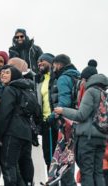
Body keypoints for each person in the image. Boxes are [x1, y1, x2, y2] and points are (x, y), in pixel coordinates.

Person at [54, 73, 108, 186]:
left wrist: (63, 110)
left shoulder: (91, 92)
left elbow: (81, 115)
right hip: (102, 138)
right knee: (98, 172)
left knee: (87, 172)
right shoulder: (105, 95)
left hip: (88, 138)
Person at [0, 65, 36, 186]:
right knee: (25, 164)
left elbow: (5, 114)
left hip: (12, 132)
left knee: (8, 164)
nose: (3, 74)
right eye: (2, 72)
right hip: (27, 133)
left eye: (7, 73)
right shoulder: (28, 90)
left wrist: (0, 135)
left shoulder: (10, 89)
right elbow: (37, 113)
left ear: (14, 75)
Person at [48, 54, 80, 185]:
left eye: (54, 65)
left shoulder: (63, 78)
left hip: (66, 123)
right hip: (78, 121)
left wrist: (51, 117)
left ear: (59, 64)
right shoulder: (77, 76)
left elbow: (64, 102)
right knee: (71, 159)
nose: (53, 68)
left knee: (64, 161)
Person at [36, 53, 56, 170]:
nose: (39, 63)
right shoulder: (40, 80)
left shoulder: (57, 77)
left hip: (56, 121)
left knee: (58, 157)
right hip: (45, 123)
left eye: (42, 60)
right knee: (48, 157)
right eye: (38, 61)